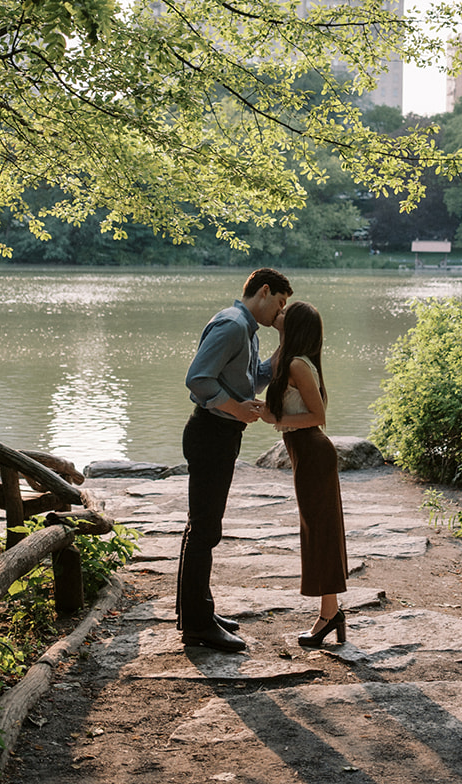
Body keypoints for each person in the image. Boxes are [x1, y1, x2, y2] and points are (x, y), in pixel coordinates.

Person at [176, 267, 292, 651]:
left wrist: (284, 343)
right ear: (263, 290)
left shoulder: (246, 328)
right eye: (279, 303)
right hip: (211, 433)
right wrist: (236, 409)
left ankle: (195, 612)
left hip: (219, 433)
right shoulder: (232, 326)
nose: (279, 311)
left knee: (201, 527)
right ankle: (197, 626)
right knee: (206, 530)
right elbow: (198, 379)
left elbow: (253, 378)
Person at [268, 300, 348, 646]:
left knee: (321, 532)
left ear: (296, 325)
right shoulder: (290, 358)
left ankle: (329, 615)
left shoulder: (298, 365)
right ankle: (330, 612)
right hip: (304, 452)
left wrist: (276, 420)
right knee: (318, 531)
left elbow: (317, 416)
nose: (279, 313)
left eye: (286, 312)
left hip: (313, 450)